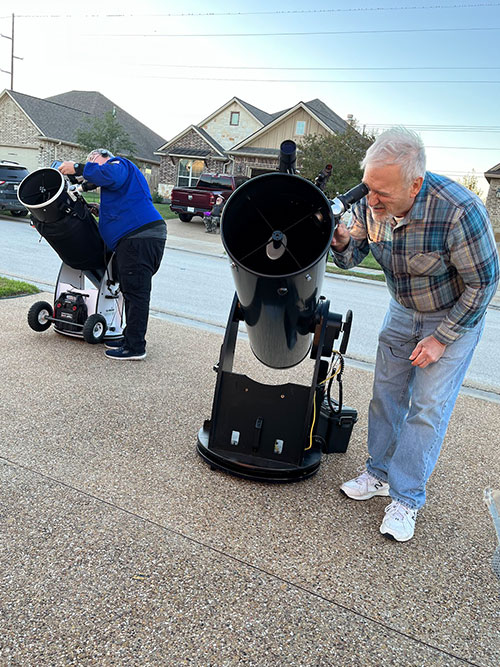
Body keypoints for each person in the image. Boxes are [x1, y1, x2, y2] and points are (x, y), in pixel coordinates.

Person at [331, 127, 499, 542]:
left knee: (426, 406)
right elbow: (353, 254)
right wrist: (339, 241)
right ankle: (378, 474)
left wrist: (442, 338)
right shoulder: (371, 202)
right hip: (403, 310)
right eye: (368, 188)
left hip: (453, 315)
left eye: (382, 194)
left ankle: (406, 498)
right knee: (385, 393)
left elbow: (485, 282)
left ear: (416, 184)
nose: (371, 201)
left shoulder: (459, 211)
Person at [58, 149, 166, 361]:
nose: (92, 166)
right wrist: (100, 209)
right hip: (137, 237)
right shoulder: (118, 179)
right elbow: (120, 198)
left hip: (139, 237)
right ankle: (129, 339)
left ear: (103, 158)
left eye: (93, 161)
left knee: (136, 293)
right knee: (129, 289)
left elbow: (109, 175)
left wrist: (79, 167)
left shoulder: (118, 164)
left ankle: (135, 347)